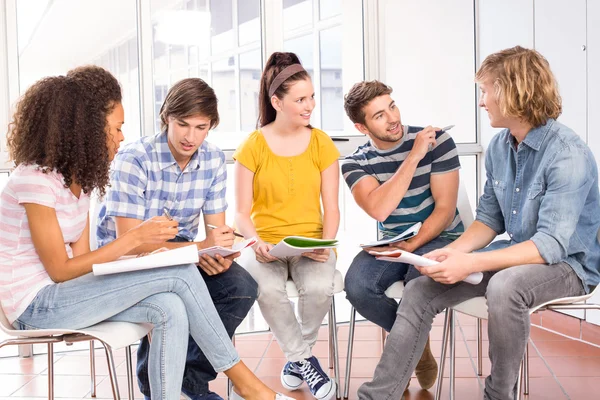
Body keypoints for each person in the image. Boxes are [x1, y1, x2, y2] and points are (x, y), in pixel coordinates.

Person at [0, 65, 292, 400]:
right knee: (180, 272)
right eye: (116, 128)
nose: (121, 137)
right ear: (86, 131)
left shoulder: (76, 184)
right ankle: (249, 386)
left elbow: (81, 263)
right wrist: (136, 240)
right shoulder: (33, 180)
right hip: (34, 307)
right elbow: (60, 270)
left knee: (169, 306)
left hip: (66, 295)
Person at [358, 46, 600, 400]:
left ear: (512, 92)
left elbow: (550, 245)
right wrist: (450, 253)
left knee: (505, 287)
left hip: (568, 264)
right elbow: (489, 219)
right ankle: (377, 396)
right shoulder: (501, 145)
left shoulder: (567, 154)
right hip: (515, 255)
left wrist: (470, 262)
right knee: (420, 288)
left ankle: (498, 395)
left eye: (486, 91)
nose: (482, 102)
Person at [95, 78, 258, 400]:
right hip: (124, 257)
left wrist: (222, 250)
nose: (190, 136)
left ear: (211, 126)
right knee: (175, 294)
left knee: (240, 287)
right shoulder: (134, 158)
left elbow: (215, 231)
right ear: (166, 117)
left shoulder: (211, 160)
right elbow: (130, 242)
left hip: (180, 250)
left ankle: (189, 383)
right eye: (182, 124)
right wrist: (198, 249)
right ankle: (163, 384)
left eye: (201, 127)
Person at [341, 80, 463, 391]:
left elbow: (446, 209)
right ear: (361, 126)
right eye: (379, 115)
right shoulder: (356, 162)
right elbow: (380, 210)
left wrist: (414, 245)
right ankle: (418, 347)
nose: (393, 118)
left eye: (392, 106)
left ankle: (405, 347)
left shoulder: (439, 141)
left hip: (441, 235)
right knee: (357, 286)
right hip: (391, 240)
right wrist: (412, 157)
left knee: (416, 285)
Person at [233, 52, 340, 400]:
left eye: (311, 97)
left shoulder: (322, 142)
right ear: (276, 101)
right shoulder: (253, 145)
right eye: (300, 100)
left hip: (311, 245)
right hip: (265, 246)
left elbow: (333, 207)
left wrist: (326, 243)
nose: (309, 105)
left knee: (321, 287)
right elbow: (241, 214)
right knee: (267, 290)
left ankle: (297, 361)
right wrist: (255, 242)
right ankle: (305, 360)